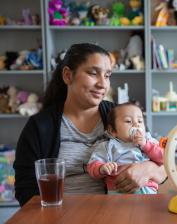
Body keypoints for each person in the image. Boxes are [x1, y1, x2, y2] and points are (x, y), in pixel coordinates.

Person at [14, 43, 166, 206]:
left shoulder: (123, 116)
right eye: (93, 73)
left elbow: (165, 168)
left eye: (107, 75)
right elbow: (25, 190)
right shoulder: (40, 126)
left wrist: (147, 169)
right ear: (68, 75)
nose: (103, 84)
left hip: (119, 214)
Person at [87, 102, 163, 194]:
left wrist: (146, 145)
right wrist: (101, 168)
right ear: (112, 131)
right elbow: (92, 165)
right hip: (118, 191)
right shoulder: (108, 146)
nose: (136, 125)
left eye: (140, 121)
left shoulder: (149, 141)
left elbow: (163, 158)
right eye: (128, 121)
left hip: (147, 190)